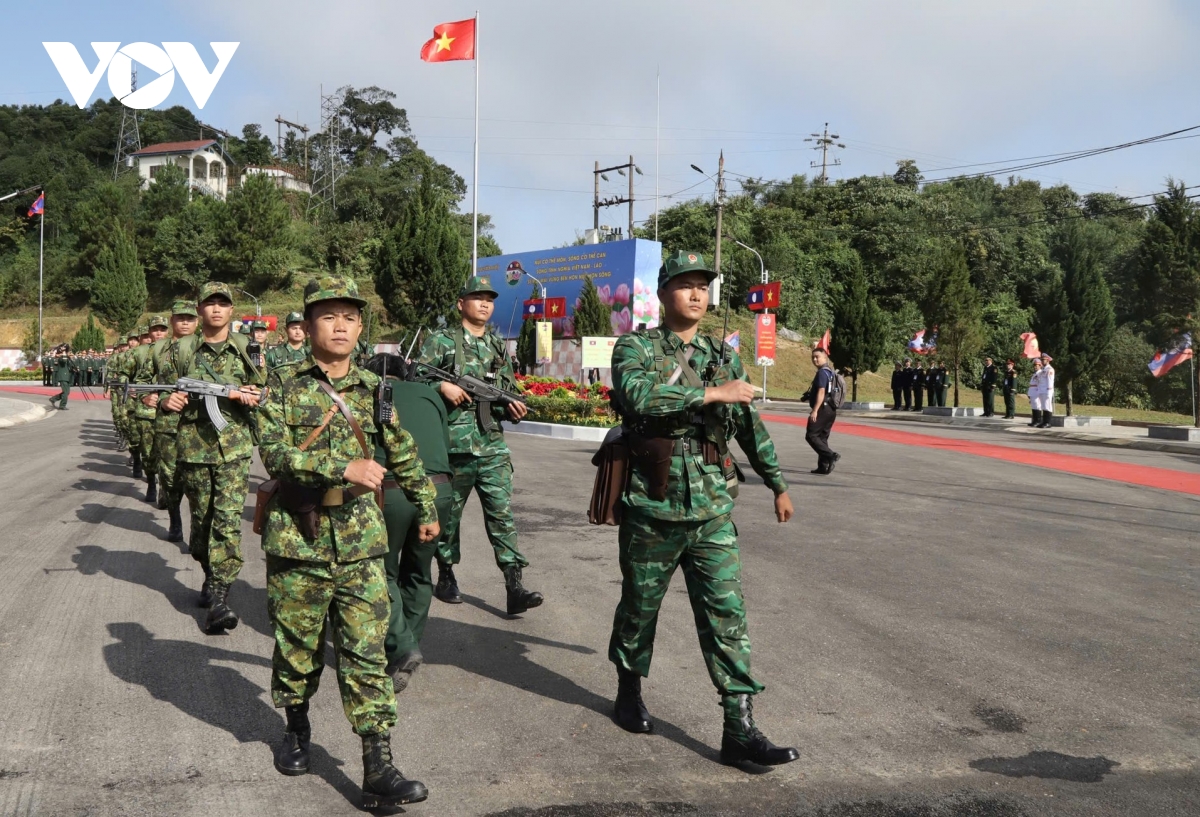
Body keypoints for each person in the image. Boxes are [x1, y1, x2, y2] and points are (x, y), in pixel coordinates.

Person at [608, 250, 798, 767]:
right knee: (639, 609)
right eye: (686, 285)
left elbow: (749, 428)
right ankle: (629, 690)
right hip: (652, 506)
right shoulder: (637, 347)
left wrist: (776, 483)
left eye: (703, 286)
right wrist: (711, 393)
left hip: (713, 506)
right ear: (664, 292)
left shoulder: (724, 354)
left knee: (727, 616)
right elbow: (638, 397)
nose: (697, 294)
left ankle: (739, 728)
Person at [258, 276, 437, 808]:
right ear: (309, 324)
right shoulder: (283, 386)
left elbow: (401, 448)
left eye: (351, 317)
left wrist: (426, 507)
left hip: (361, 541)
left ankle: (377, 762)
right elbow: (275, 455)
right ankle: (295, 729)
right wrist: (343, 467)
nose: (341, 326)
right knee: (299, 648)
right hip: (300, 540)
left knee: (365, 652)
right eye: (329, 316)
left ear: (361, 328)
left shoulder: (375, 389)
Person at [418, 277, 543, 616]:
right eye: (477, 298)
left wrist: (513, 408)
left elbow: (506, 390)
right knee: (449, 516)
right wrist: (443, 386)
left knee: (502, 515)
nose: (485, 304)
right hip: (452, 447)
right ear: (461, 303)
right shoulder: (441, 341)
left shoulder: (497, 345)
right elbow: (415, 379)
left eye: (489, 299)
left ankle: (514, 584)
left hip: (491, 447)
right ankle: (445, 574)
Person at [161, 283, 265, 633]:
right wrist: (166, 402)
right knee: (203, 526)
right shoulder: (181, 351)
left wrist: (251, 394)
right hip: (194, 448)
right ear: (199, 309)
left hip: (233, 448)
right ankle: (209, 572)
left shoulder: (247, 349)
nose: (217, 309)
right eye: (210, 303)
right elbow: (157, 390)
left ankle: (221, 596)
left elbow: (266, 391)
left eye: (223, 303)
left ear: (232, 310)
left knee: (227, 522)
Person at [363, 353, 456, 694]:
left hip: (392, 492)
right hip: (441, 491)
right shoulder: (431, 394)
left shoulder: (369, 395)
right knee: (419, 571)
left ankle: (401, 647)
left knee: (382, 572)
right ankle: (407, 646)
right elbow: (445, 442)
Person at [141, 301, 198, 540]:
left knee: (197, 482)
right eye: (180, 317)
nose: (185, 322)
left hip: (200, 425)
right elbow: (143, 380)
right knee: (171, 476)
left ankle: (199, 528)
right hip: (168, 424)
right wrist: (148, 397)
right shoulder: (159, 349)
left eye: (190, 318)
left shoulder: (207, 347)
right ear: (172, 320)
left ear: (197, 321)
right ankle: (175, 519)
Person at [130, 316, 170, 504]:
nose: (159, 333)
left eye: (162, 329)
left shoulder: (175, 351)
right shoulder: (141, 353)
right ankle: (151, 482)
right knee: (148, 451)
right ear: (149, 332)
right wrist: (142, 396)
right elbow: (133, 380)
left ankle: (165, 487)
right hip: (147, 411)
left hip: (170, 412)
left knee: (168, 455)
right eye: (155, 329)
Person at [805, 346, 840, 474]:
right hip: (831, 409)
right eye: (813, 357)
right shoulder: (829, 371)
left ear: (825, 356)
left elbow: (821, 391)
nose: (815, 359)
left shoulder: (821, 373)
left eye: (817, 357)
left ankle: (831, 455)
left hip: (822, 408)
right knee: (822, 437)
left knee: (811, 435)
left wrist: (815, 410)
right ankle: (823, 466)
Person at [1037, 354, 1056, 428]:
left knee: (1047, 406)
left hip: (1047, 391)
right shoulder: (1043, 370)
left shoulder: (1050, 369)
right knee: (1044, 407)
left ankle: (1048, 422)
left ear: (1047, 360)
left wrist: (1049, 391)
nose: (1042, 361)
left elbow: (1050, 381)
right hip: (1042, 390)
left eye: (1043, 360)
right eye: (1041, 360)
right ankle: (1044, 422)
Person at [1026, 358, 1044, 426]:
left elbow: (1040, 384)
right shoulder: (1035, 374)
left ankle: (1038, 421)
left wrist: (1039, 392)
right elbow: (1031, 384)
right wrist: (1029, 393)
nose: (1035, 366)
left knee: (1037, 406)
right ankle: (1034, 421)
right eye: (1034, 365)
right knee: (1033, 406)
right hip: (1032, 391)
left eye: (1037, 365)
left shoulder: (1040, 373)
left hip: (1037, 391)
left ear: (1040, 365)